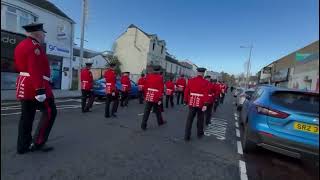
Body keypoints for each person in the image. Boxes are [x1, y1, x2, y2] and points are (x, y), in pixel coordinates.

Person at [15, 23, 57, 154]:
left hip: (25, 85)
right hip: (35, 86)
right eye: (43, 33)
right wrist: (40, 89)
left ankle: (22, 146)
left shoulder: (22, 44)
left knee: (26, 117)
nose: (44, 35)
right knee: (50, 112)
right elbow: (34, 68)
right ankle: (39, 142)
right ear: (38, 33)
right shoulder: (34, 46)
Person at [184, 68, 209, 141]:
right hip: (201, 103)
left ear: (197, 72)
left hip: (192, 102)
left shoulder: (191, 80)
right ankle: (199, 133)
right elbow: (206, 94)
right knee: (200, 119)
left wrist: (186, 100)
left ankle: (187, 136)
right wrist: (206, 104)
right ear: (203, 73)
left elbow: (186, 91)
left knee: (189, 120)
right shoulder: (206, 82)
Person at [141, 65, 166, 130]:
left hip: (149, 95)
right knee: (158, 110)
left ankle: (143, 125)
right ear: (159, 70)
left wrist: (146, 95)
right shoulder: (160, 78)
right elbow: (161, 89)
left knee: (147, 111)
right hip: (156, 96)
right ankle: (160, 122)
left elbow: (145, 87)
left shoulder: (148, 76)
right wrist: (160, 98)